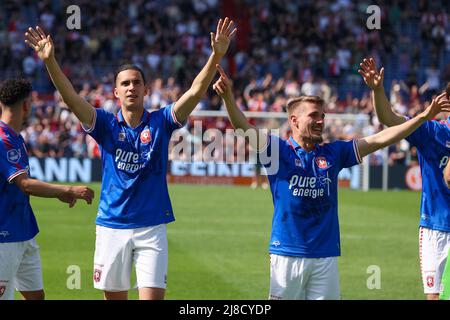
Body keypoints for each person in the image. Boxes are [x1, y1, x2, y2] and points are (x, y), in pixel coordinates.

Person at [24, 19, 236, 300]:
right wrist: (50, 62)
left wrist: (216, 55)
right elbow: (71, 98)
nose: (131, 87)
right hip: (112, 226)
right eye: (125, 83)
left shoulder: (161, 121)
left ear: (146, 90)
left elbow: (196, 91)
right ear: (116, 92)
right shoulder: (105, 124)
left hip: (152, 228)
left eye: (137, 82)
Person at [212, 64, 450, 300]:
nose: (320, 121)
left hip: (326, 258)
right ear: (294, 120)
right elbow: (243, 127)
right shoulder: (277, 151)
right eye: (314, 115)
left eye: (322, 116)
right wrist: (228, 98)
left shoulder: (333, 153)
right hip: (286, 255)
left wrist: (421, 117)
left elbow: (380, 139)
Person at [358, 58, 450, 300]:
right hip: (435, 228)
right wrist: (377, 90)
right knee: (435, 298)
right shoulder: (432, 132)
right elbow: (389, 119)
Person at [0, 78, 94, 300]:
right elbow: (25, 184)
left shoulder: (16, 137)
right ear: (26, 105)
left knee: (36, 296)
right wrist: (66, 190)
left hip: (24, 231)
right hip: (4, 236)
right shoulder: (3, 139)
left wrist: (58, 193)